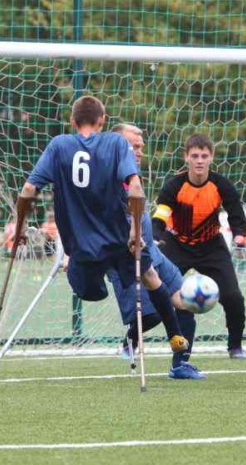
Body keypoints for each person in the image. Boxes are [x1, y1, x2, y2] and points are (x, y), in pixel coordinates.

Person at [18, 95, 188, 357]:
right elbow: (135, 188)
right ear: (102, 120)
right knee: (151, 278)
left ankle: (97, 291)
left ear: (72, 121)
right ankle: (176, 338)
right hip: (119, 242)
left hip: (81, 247)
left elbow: (29, 189)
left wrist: (21, 227)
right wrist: (135, 232)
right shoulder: (116, 143)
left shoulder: (59, 145)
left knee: (90, 291)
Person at [108, 123, 202, 379]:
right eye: (133, 147)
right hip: (126, 259)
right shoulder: (106, 178)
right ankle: (131, 339)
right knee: (150, 316)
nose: (139, 151)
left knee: (186, 303)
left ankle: (180, 365)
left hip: (154, 255)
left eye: (141, 147)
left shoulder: (133, 175)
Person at [152, 134, 246, 359]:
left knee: (234, 297)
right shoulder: (173, 186)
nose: (199, 160)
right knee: (157, 292)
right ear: (186, 157)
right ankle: (134, 342)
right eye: (195, 156)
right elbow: (160, 216)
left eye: (204, 156)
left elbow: (236, 213)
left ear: (211, 158)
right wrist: (155, 236)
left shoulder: (221, 185)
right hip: (176, 244)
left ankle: (235, 347)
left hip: (211, 246)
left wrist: (239, 235)